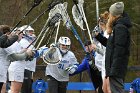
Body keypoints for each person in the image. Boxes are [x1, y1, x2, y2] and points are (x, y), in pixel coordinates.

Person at [95, 2, 132, 93]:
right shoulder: (117, 27)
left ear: (114, 15)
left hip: (115, 70)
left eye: (111, 14)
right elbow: (111, 46)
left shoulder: (120, 28)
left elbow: (119, 51)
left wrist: (113, 71)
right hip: (113, 69)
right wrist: (98, 36)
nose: (109, 16)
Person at [18, 25, 37, 93]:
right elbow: (29, 53)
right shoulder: (23, 41)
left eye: (32, 31)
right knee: (25, 89)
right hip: (25, 68)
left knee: (28, 89)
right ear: (24, 32)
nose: (31, 33)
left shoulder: (30, 43)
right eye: (29, 31)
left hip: (29, 69)